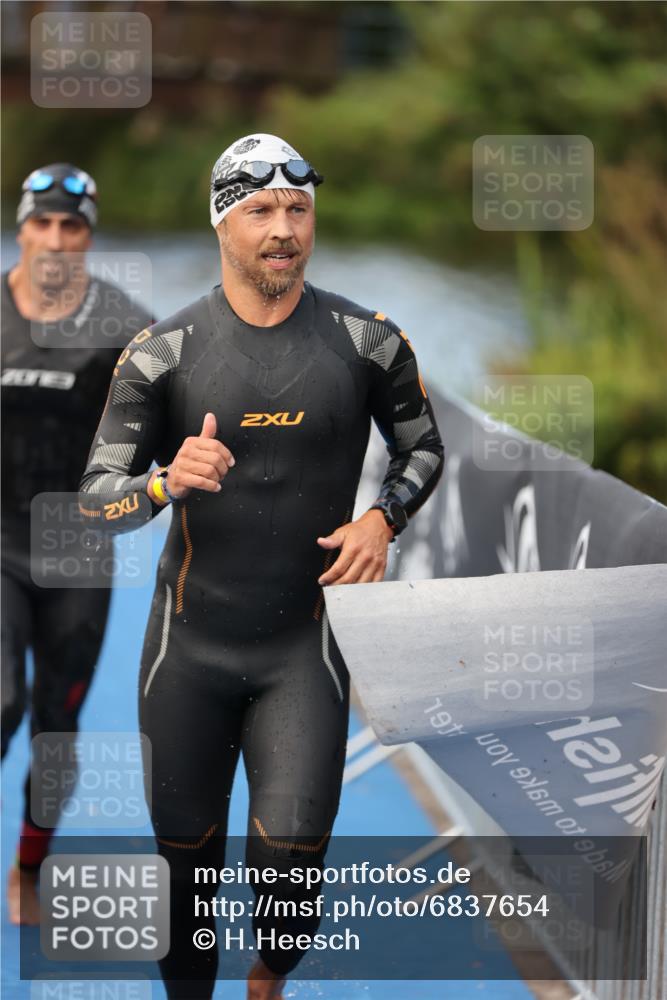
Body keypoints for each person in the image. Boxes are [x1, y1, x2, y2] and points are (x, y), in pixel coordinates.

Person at [79, 133, 444, 1000]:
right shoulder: (160, 352)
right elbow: (95, 499)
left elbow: (422, 447)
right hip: (189, 650)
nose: (283, 229)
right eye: (260, 212)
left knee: (291, 889)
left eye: (297, 210)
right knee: (185, 884)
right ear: (222, 224)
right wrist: (166, 480)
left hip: (302, 651)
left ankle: (268, 977)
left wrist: (380, 519)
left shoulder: (368, 340)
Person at [1, 163, 153, 924]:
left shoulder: (126, 327)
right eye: (42, 223)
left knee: (57, 726)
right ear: (22, 226)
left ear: (88, 237)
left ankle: (30, 867)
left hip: (77, 550)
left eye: (73, 227)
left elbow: (199, 404)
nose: (55, 241)